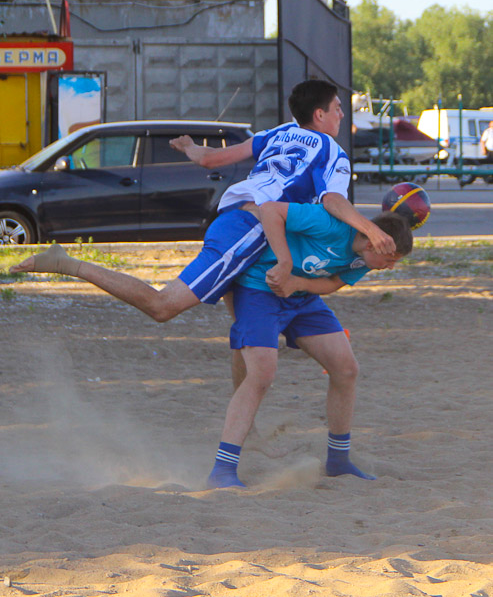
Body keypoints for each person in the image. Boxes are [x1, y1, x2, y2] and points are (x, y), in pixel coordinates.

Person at [10, 80, 395, 322]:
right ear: (320, 114)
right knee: (163, 306)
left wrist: (191, 148)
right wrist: (371, 229)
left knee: (247, 333)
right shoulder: (332, 151)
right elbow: (332, 200)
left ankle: (248, 422)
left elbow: (213, 159)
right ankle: (68, 263)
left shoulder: (278, 133)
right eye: (338, 107)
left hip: (232, 216)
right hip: (250, 229)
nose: (342, 113)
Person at [206, 202, 413, 488]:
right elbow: (270, 210)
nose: (390, 266)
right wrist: (284, 263)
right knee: (262, 373)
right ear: (371, 241)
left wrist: (297, 284)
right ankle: (223, 470)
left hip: (302, 298)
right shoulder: (329, 224)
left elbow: (332, 283)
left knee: (346, 369)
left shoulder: (364, 259)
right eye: (390, 259)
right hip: (258, 289)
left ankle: (338, 461)